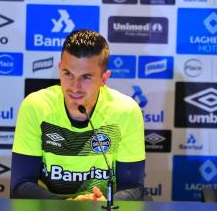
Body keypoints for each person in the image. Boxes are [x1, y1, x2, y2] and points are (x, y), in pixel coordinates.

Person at [11, 29, 146, 201]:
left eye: (86, 77)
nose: (75, 87)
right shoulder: (36, 106)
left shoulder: (125, 111)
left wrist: (105, 205)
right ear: (60, 69)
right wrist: (70, 206)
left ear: (104, 78)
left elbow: (133, 187)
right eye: (68, 74)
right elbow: (20, 185)